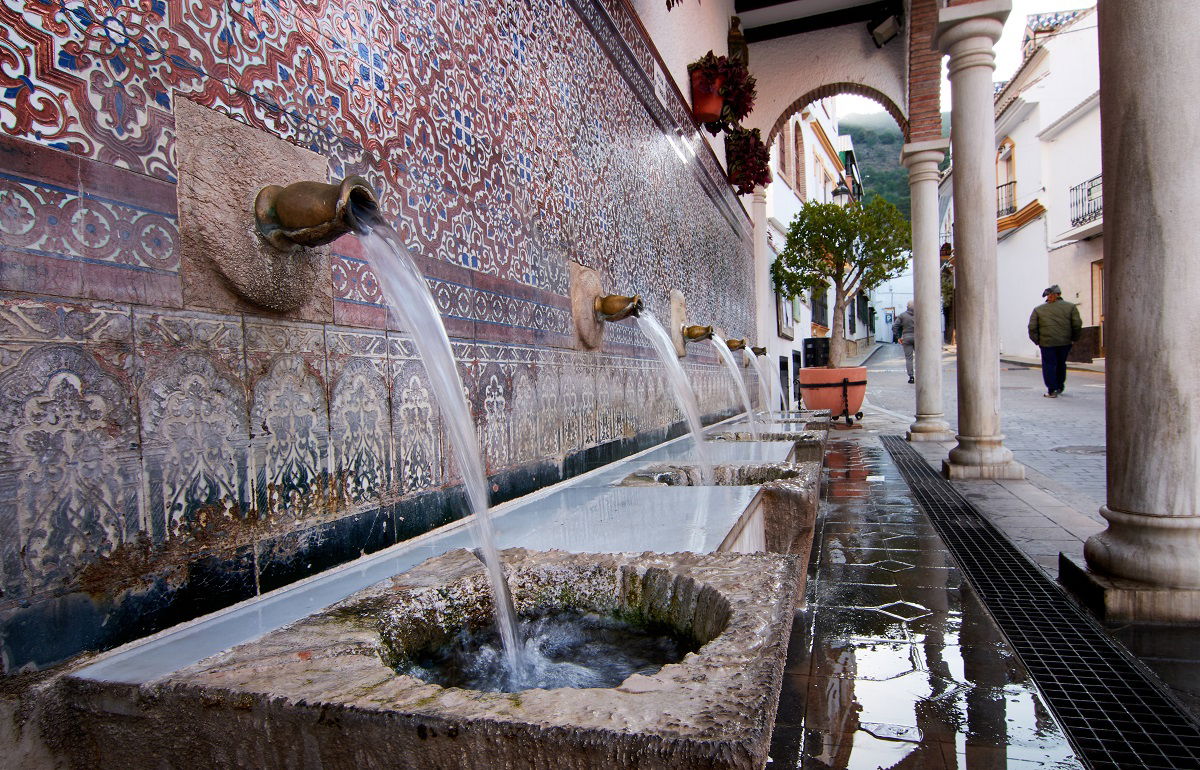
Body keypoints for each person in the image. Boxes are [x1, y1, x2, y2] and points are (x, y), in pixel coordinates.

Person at [1027, 284, 1082, 398]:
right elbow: (1077, 325)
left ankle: (1052, 390)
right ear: (1059, 294)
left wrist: (1037, 341)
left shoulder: (1038, 309)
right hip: (1065, 342)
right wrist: (1074, 338)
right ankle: (1060, 386)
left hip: (1046, 343)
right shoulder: (1071, 307)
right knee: (1061, 364)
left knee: (1049, 365)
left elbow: (1032, 328)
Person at [892, 301, 916, 383]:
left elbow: (894, 326)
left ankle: (911, 377)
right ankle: (922, 375)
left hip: (906, 337)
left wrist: (898, 337)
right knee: (920, 358)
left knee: (909, 358)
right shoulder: (920, 315)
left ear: (907, 307)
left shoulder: (902, 315)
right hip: (919, 338)